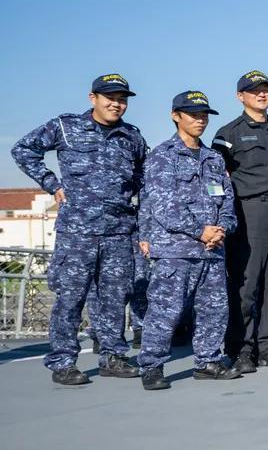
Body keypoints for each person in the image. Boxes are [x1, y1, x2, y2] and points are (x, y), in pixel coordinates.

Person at [11, 74, 146, 385]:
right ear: (92, 98)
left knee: (114, 297)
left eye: (122, 99)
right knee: (70, 298)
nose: (117, 104)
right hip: (77, 231)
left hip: (118, 231)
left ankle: (112, 355)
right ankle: (63, 361)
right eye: (109, 97)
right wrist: (51, 184)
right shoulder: (66, 126)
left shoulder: (132, 137)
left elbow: (143, 177)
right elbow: (23, 150)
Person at [137, 91, 241, 390]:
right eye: (193, 114)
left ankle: (208, 361)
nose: (200, 119)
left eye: (204, 114)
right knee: (165, 310)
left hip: (212, 249)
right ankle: (152, 364)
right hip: (175, 249)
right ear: (176, 116)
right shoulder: (162, 155)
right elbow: (162, 205)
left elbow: (227, 201)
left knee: (214, 309)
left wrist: (221, 229)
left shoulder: (213, 159)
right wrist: (200, 230)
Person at [213, 70, 268, 372]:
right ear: (240, 96)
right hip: (248, 212)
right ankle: (241, 348)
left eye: (266, 90)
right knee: (246, 284)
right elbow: (216, 177)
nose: (262, 94)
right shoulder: (228, 133)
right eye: (254, 90)